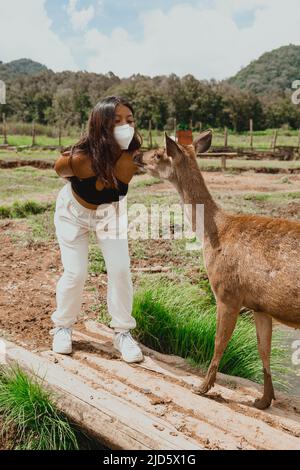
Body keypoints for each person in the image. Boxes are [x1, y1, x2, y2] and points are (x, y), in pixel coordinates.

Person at [50, 96, 144, 363]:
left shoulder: (132, 157)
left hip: (109, 214)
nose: (125, 126)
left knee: (120, 269)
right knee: (76, 272)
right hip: (72, 214)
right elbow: (60, 172)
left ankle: (123, 333)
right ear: (101, 126)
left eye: (130, 120)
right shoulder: (78, 160)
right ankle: (62, 327)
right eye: (116, 121)